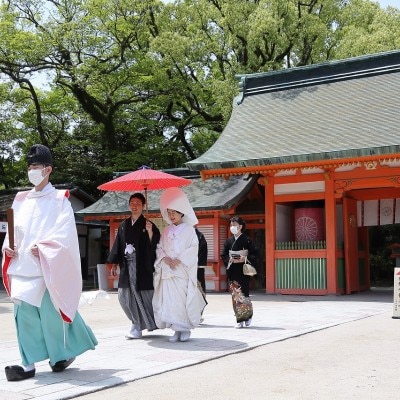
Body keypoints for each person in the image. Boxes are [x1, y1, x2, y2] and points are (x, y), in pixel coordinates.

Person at [2, 144, 97, 382]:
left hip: (45, 266)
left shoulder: (60, 199)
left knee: (51, 316)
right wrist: (8, 247)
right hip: (22, 266)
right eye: (30, 166)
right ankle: (29, 363)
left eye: (37, 166)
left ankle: (60, 356)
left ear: (48, 169)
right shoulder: (21, 199)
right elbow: (12, 232)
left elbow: (64, 233)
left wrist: (45, 248)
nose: (32, 170)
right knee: (23, 315)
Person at [152, 187, 207, 342]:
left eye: (174, 212)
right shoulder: (166, 231)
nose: (171, 215)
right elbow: (160, 247)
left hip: (182, 270)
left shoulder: (189, 230)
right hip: (169, 270)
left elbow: (193, 248)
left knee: (182, 299)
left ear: (182, 212)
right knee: (170, 300)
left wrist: (180, 259)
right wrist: (164, 258)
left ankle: (185, 329)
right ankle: (175, 329)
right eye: (169, 212)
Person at [107, 192, 160, 339]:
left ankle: (137, 325)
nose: (134, 205)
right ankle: (136, 322)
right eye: (132, 203)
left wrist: (150, 233)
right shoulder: (123, 225)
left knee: (141, 295)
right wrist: (114, 264)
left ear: (143, 206)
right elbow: (118, 245)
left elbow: (155, 244)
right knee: (123, 296)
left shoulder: (148, 225)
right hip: (126, 265)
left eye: (138, 203)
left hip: (141, 266)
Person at [221, 216, 257, 328]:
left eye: (234, 225)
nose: (232, 227)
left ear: (240, 226)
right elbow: (223, 255)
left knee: (244, 294)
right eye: (231, 225)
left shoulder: (247, 240)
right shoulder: (228, 241)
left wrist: (244, 259)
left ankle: (248, 316)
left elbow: (255, 254)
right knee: (235, 294)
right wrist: (229, 260)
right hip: (232, 270)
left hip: (243, 270)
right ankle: (239, 319)